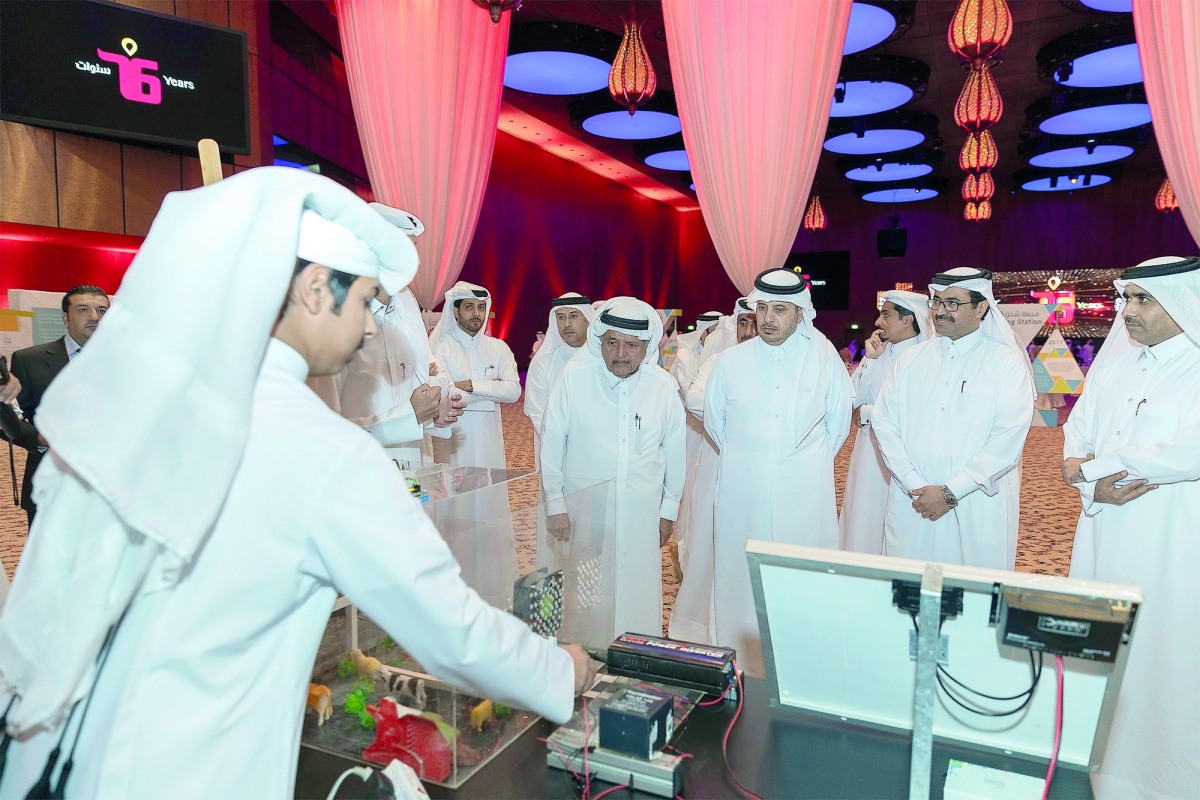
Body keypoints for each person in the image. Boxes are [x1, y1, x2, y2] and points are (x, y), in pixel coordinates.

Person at [0, 169, 595, 799]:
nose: (371, 327)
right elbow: (452, 631)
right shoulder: (321, 449)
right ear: (314, 289)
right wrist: (560, 671)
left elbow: (35, 619)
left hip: (65, 762)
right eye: (364, 301)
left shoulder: (133, 411)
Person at [1060, 255, 1200, 800]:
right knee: (1101, 653)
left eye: (1143, 300)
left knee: (1162, 656)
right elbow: (1076, 437)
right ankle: (1102, 770)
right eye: (1127, 298)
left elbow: (1185, 453)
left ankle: (1166, 780)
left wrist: (1093, 470)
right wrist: (1088, 483)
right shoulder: (1114, 366)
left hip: (1169, 542)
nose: (1128, 311)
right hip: (1101, 534)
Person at [703, 268, 851, 674]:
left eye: (780, 310)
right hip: (742, 489)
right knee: (738, 575)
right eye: (763, 308)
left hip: (805, 493)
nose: (768, 318)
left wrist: (798, 465)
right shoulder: (730, 361)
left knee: (802, 576)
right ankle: (740, 666)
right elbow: (716, 424)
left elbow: (838, 426)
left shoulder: (824, 357)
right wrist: (754, 459)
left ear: (800, 312)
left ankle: (806, 668)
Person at [540, 297, 684, 638]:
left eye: (631, 345)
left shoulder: (662, 387)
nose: (620, 353)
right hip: (584, 511)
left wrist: (669, 509)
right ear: (599, 341)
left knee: (637, 586)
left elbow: (676, 451)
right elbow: (551, 443)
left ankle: (636, 649)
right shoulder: (574, 378)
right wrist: (555, 504)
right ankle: (584, 655)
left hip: (641, 513)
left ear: (645, 347)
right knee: (584, 589)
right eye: (612, 342)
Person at [872, 267, 1034, 569]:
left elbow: (1008, 437)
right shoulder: (910, 360)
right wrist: (912, 481)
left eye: (953, 303)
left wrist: (951, 491)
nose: (941, 311)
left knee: (969, 586)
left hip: (974, 499)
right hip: (913, 497)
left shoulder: (1005, 363)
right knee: (906, 582)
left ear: (981, 307)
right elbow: (884, 423)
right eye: (937, 302)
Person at [308, 204, 462, 466]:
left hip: (415, 465)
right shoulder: (331, 321)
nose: (418, 262)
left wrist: (433, 415)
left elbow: (411, 397)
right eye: (406, 250)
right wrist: (408, 418)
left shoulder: (406, 302)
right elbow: (322, 428)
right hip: (362, 471)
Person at [669, 298, 757, 644]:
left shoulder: (790, 366)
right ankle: (702, 622)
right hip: (716, 465)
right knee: (709, 536)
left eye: (755, 322)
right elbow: (694, 400)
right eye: (744, 323)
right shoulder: (719, 361)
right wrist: (742, 419)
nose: (749, 331)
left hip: (761, 472)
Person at [6, 285, 110, 525]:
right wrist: (39, 438)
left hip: (112, 489)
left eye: (102, 311)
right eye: (83, 309)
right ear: (65, 318)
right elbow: (8, 417)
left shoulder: (127, 362)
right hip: (53, 485)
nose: (94, 317)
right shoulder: (30, 360)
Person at [839, 291, 932, 554]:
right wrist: (870, 360)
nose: (878, 321)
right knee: (863, 509)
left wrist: (867, 413)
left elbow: (912, 410)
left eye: (886, 315)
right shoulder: (879, 350)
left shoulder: (923, 357)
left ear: (907, 321)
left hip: (900, 452)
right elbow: (853, 396)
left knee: (889, 511)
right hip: (867, 449)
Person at [429, 281, 521, 468]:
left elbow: (513, 392)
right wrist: (493, 390)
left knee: (491, 482)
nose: (477, 313)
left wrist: (470, 385)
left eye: (481, 307)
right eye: (469, 307)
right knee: (455, 483)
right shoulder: (441, 347)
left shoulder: (498, 347)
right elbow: (445, 395)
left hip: (489, 436)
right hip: (454, 437)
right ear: (456, 311)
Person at [524, 293, 594, 468]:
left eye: (573, 316)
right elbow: (538, 413)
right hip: (556, 451)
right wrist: (566, 444)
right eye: (561, 317)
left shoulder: (603, 360)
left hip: (598, 450)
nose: (567, 324)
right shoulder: (544, 362)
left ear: (587, 320)